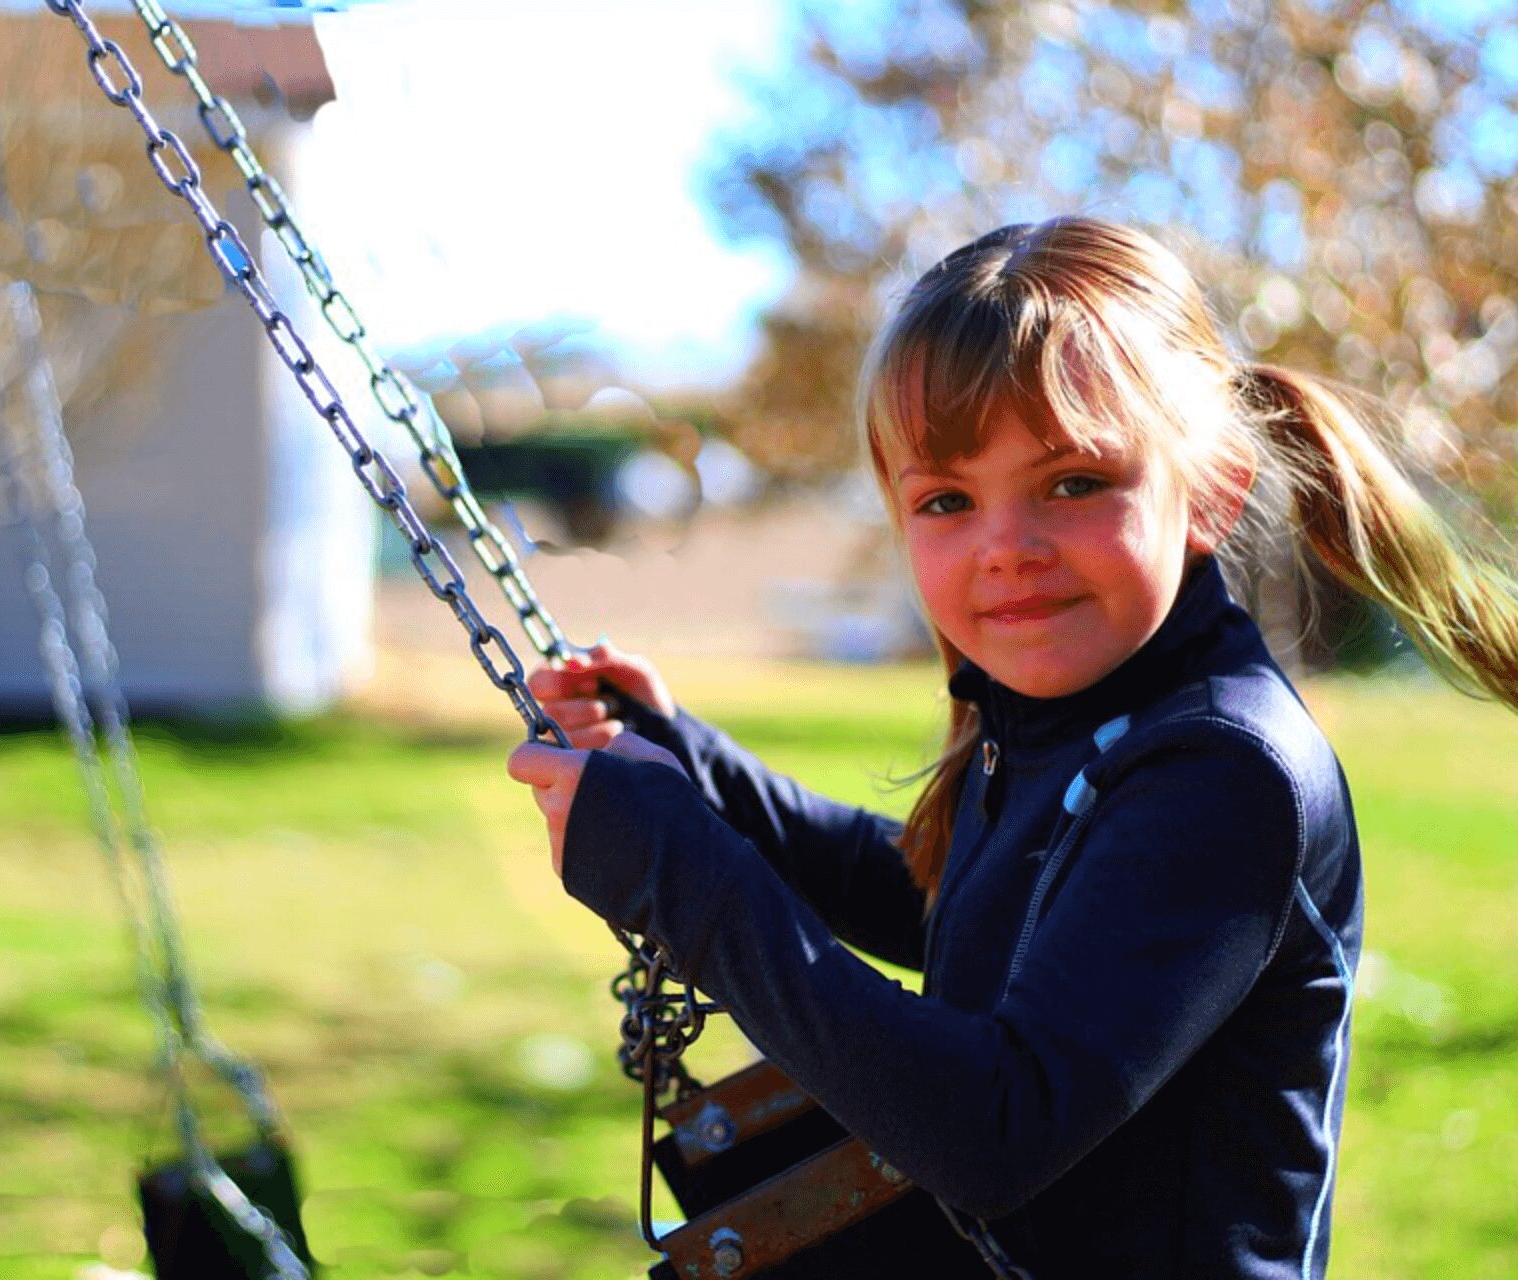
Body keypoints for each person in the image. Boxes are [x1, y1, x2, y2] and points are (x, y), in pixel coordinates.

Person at [505, 216, 1518, 1278]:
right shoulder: (1073, 714)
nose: (1007, 549)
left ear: (1210, 488)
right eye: (947, 499)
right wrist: (703, 775)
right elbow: (955, 906)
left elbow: (991, 1129)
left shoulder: (1223, 769)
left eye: (1074, 482)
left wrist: (681, 869)